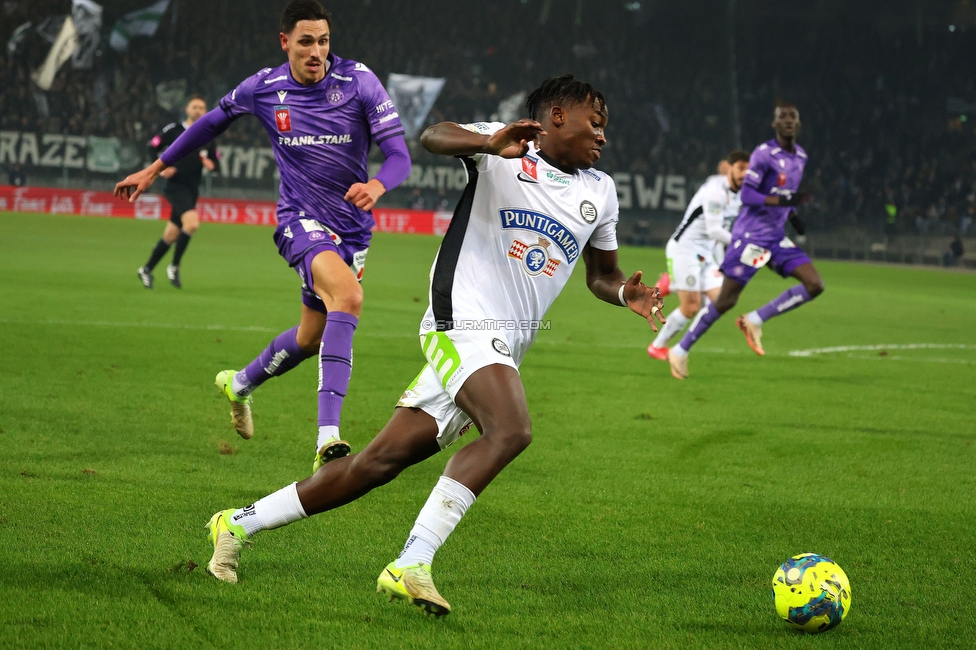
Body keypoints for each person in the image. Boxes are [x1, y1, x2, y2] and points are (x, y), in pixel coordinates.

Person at [201, 75, 665, 617]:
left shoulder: (600, 190)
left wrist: (624, 293)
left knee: (376, 463)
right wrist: (488, 144)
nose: (603, 135)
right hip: (460, 322)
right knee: (511, 430)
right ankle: (412, 562)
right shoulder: (505, 145)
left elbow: (600, 275)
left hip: (504, 346)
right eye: (596, 121)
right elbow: (434, 136)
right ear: (557, 116)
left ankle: (237, 522)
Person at [115, 0, 411, 468]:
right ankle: (327, 439)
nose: (317, 51)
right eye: (306, 41)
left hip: (353, 229)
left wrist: (377, 184)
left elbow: (399, 155)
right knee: (349, 299)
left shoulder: (358, 82)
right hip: (299, 220)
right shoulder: (265, 88)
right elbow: (210, 123)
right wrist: (155, 167)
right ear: (285, 42)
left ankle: (240, 384)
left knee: (311, 336)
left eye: (324, 41)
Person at [667, 103, 824, 379]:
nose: (788, 120)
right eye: (782, 117)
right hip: (750, 238)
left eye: (793, 117)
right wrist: (783, 201)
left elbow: (786, 191)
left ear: (798, 124)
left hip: (776, 238)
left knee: (814, 284)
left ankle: (755, 319)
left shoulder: (801, 157)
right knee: (725, 300)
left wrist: (793, 215)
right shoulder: (764, 154)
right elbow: (749, 196)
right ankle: (680, 349)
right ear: (774, 124)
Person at [647, 150, 749, 360]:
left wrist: (722, 263)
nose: (745, 174)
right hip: (685, 249)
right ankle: (658, 346)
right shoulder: (715, 193)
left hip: (706, 254)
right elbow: (715, 231)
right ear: (730, 169)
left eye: (749, 170)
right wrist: (744, 244)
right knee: (691, 306)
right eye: (741, 168)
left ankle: (671, 284)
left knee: (720, 302)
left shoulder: (737, 192)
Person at [136, 95, 219, 290]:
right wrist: (160, 169)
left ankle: (146, 269)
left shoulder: (208, 135)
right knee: (191, 224)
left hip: (192, 189)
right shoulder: (173, 130)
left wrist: (211, 165)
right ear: (187, 110)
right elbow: (152, 147)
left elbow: (216, 164)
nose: (198, 110)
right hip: (175, 186)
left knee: (171, 235)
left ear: (205, 112)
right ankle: (174, 266)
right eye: (194, 107)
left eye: (201, 107)